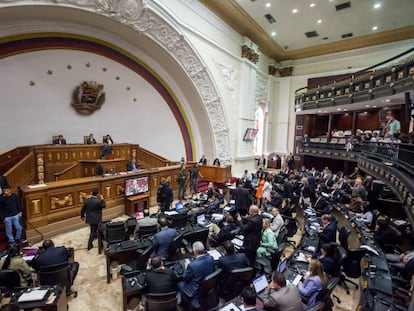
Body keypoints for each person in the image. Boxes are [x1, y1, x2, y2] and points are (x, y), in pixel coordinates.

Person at [178, 241, 215, 308]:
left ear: (195, 252)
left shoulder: (192, 265)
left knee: (180, 283)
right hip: (208, 285)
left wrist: (186, 268)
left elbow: (184, 277)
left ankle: (184, 305)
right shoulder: (211, 258)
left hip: (196, 290)